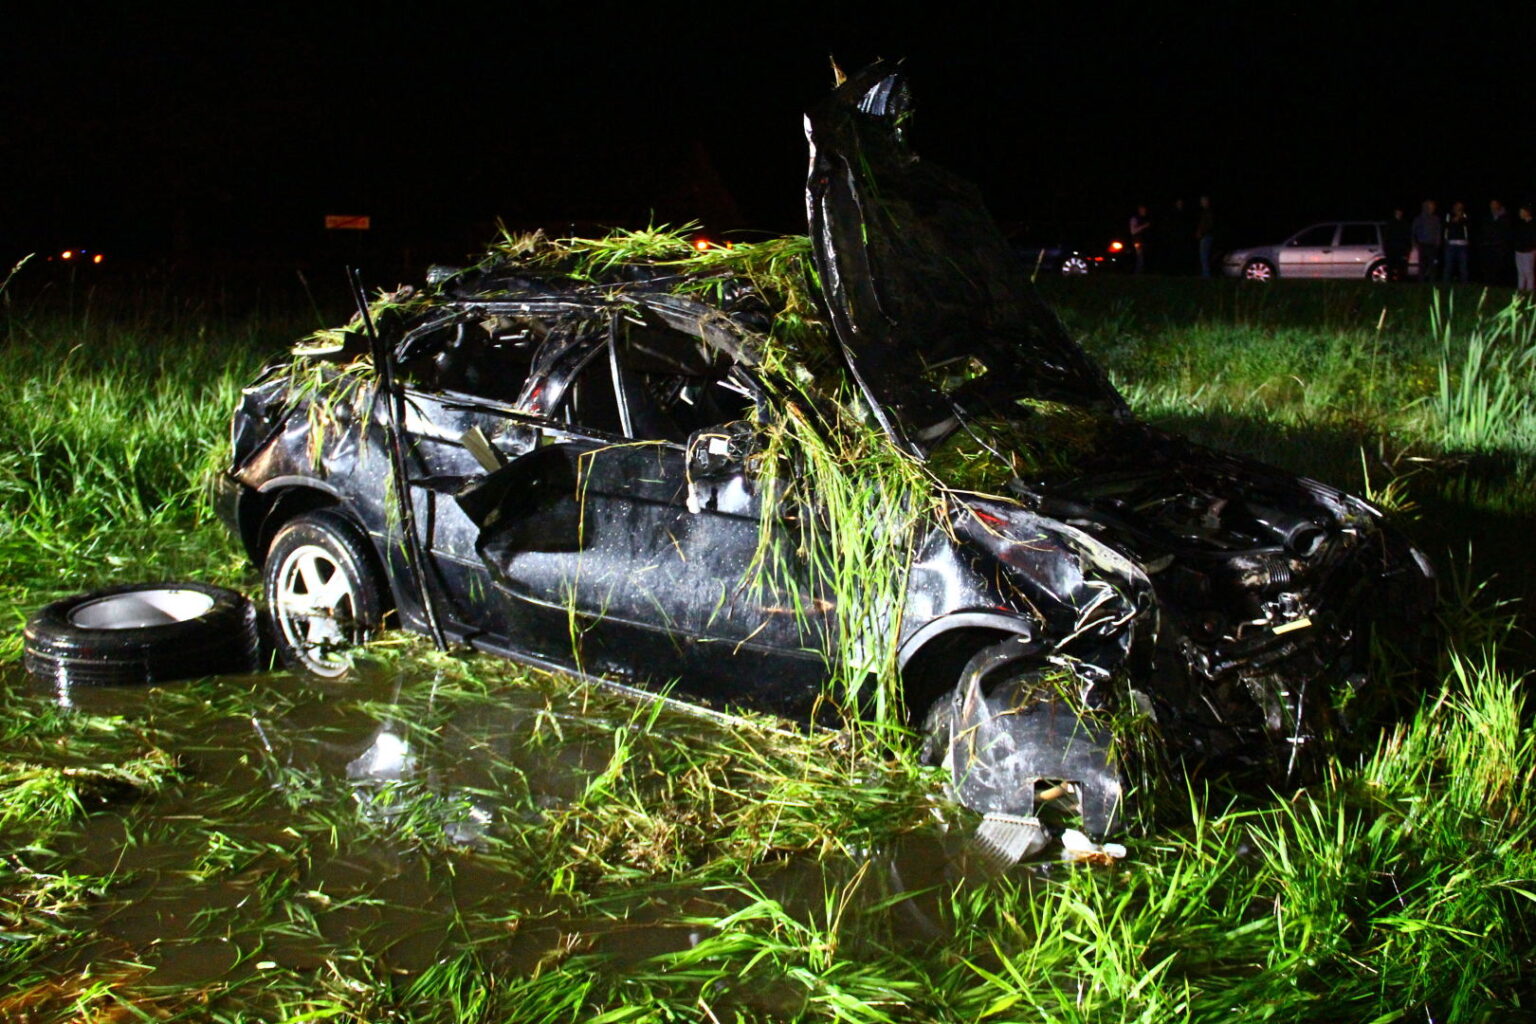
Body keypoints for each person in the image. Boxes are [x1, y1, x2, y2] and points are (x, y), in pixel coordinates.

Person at [1481, 199, 1514, 285]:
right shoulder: (1488, 216)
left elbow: (1506, 231)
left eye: (1495, 204)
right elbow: (1484, 230)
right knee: (1488, 266)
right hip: (1488, 245)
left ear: (1499, 205)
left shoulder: (1505, 217)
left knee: (1499, 266)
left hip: (1500, 246)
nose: (1492, 206)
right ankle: (1488, 284)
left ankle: (1499, 284)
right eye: (1491, 204)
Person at [1410, 199, 1442, 283]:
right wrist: (1414, 243)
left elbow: (1438, 231)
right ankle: (1421, 282)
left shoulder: (1435, 219)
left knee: (1433, 265)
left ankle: (1432, 283)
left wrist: (1438, 242)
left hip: (1432, 245)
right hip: (1422, 244)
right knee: (1422, 265)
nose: (1432, 208)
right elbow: (1413, 231)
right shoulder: (1419, 219)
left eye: (1433, 207)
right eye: (1430, 206)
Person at [1442, 200, 1472, 283]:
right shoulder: (1448, 215)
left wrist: (1461, 219)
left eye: (1460, 207)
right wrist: (1453, 221)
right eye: (1457, 207)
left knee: (1463, 266)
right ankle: (1446, 284)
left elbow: (1469, 226)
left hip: (1462, 245)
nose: (1458, 209)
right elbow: (1444, 226)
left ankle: (1464, 284)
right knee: (1448, 266)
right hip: (1450, 244)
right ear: (1454, 207)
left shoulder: (1465, 216)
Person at [1383, 207, 1412, 282]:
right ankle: (1390, 283)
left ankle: (1401, 283)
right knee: (1390, 268)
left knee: (1401, 268)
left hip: (1401, 250)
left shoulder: (1405, 224)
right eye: (1397, 212)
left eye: (1400, 212)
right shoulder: (1390, 223)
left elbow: (1408, 237)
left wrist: (1408, 249)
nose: (1399, 214)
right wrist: (1386, 249)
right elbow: (1386, 237)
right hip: (1391, 249)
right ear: (1395, 213)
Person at [1515, 204, 1536, 292]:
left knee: (1528, 272)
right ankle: (1520, 289)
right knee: (1520, 272)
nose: (1520, 213)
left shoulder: (1533, 224)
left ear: (1527, 212)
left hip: (1528, 251)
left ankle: (1530, 290)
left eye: (1522, 211)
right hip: (1519, 251)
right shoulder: (1520, 224)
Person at [1195, 195, 1217, 278]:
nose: (1202, 203)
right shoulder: (1205, 212)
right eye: (1201, 201)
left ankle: (1206, 275)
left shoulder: (1208, 212)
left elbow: (1209, 225)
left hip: (1206, 236)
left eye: (1203, 201)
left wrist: (1202, 232)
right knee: (1204, 256)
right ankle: (1205, 274)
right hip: (1205, 236)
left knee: (1204, 256)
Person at [1129, 205, 1152, 274]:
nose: (1144, 211)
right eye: (1142, 210)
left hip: (1144, 240)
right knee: (1140, 256)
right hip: (1137, 240)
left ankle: (1143, 272)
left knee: (1144, 256)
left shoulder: (1145, 218)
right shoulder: (1134, 219)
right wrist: (1144, 226)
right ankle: (1137, 272)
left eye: (1144, 210)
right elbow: (1133, 231)